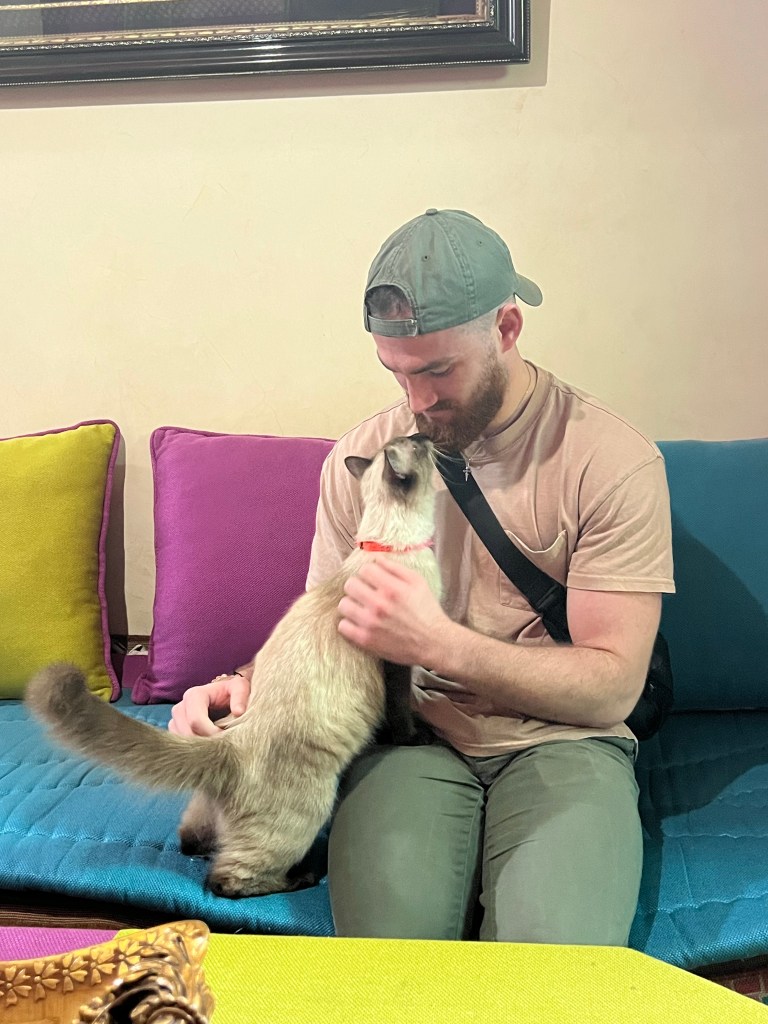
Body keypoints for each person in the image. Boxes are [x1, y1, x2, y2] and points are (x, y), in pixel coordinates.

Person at [169, 208, 675, 945]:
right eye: (398, 372)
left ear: (506, 328)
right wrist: (240, 685)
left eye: (438, 370)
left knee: (553, 973)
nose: (416, 402)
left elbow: (613, 687)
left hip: (565, 740)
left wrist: (437, 643)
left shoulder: (610, 460)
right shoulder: (365, 457)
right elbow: (327, 631)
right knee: (393, 965)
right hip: (410, 738)